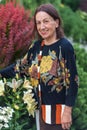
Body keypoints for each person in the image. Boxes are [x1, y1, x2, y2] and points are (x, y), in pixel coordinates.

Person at [0, 3, 79, 130]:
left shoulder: (64, 47)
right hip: (40, 112)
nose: (42, 27)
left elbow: (73, 82)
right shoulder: (36, 47)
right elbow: (20, 67)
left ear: (56, 23)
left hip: (58, 114)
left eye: (46, 21)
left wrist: (68, 112)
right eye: (38, 23)